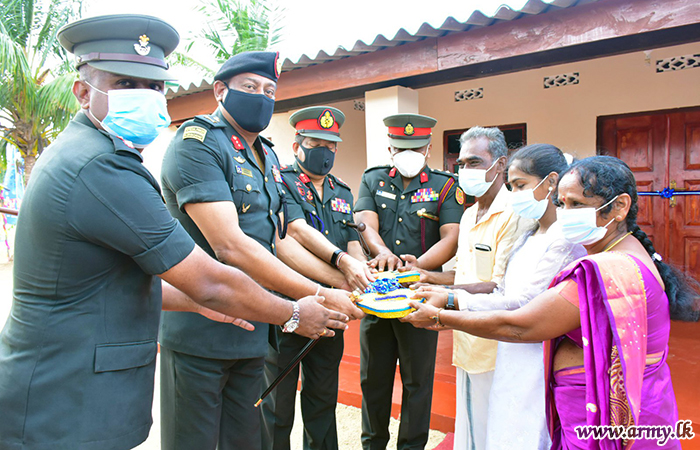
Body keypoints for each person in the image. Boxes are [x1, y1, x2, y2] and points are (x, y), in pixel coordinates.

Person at [0, 15, 346, 450]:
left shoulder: (94, 154)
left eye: (156, 86)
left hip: (84, 385)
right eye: (127, 83)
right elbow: (214, 267)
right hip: (65, 397)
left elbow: (109, 281)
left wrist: (199, 304)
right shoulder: (101, 166)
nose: (146, 97)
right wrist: (296, 311)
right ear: (84, 91)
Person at [406, 156, 700, 449]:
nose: (565, 213)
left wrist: (441, 317)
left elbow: (521, 325)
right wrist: (450, 298)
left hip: (605, 420)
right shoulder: (626, 253)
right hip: (608, 407)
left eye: (577, 204)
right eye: (561, 204)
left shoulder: (608, 269)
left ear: (620, 207)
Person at [159, 53, 364, 450]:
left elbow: (280, 238)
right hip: (202, 331)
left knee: (249, 441)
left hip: (255, 328)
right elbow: (231, 245)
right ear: (221, 91)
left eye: (269, 91)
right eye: (250, 88)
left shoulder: (266, 156)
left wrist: (341, 279)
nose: (261, 97)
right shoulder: (197, 144)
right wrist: (317, 295)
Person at [405, 144, 586, 449]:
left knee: (528, 432)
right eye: (512, 186)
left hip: (535, 352)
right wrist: (442, 291)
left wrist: (449, 305)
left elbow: (524, 302)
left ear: (551, 182)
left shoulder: (563, 239)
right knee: (501, 426)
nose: (514, 194)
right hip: (509, 353)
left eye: (520, 186)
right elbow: (503, 290)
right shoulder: (531, 234)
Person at [262, 106, 372, 450]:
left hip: (334, 308)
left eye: (332, 145)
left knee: (323, 397)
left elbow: (353, 241)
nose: (325, 151)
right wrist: (342, 266)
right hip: (289, 304)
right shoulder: (280, 182)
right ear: (297, 145)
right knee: (279, 402)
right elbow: (294, 232)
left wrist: (362, 275)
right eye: (316, 142)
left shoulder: (342, 191)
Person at [414, 126, 531, 450]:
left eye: (475, 162)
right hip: (467, 337)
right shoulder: (468, 215)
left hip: (496, 339)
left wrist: (441, 295)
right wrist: (422, 275)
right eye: (462, 164)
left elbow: (498, 284)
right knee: (468, 423)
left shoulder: (514, 214)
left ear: (501, 164)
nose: (466, 171)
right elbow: (465, 272)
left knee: (494, 427)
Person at [354, 113, 463, 449]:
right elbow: (364, 223)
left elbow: (451, 236)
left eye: (415, 147)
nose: (408, 152)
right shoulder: (373, 180)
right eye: (402, 147)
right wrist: (383, 252)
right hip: (377, 296)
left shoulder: (445, 185)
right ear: (390, 148)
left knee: (418, 382)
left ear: (428, 148)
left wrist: (417, 266)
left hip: (419, 294)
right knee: (374, 379)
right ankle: (373, 444)